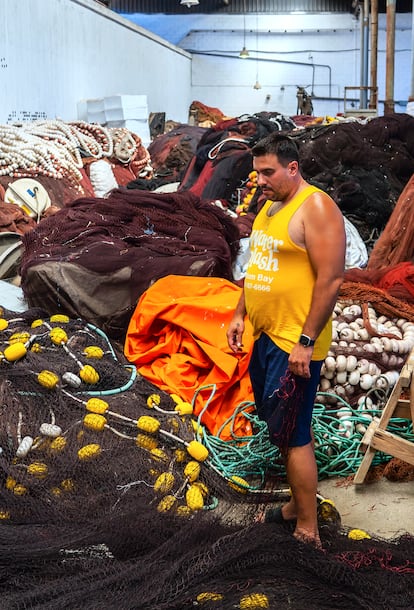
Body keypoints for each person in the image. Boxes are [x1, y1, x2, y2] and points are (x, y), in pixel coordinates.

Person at [227, 133, 346, 548]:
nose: (259, 179)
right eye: (256, 172)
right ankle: (298, 504)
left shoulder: (316, 207)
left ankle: (307, 527)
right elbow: (256, 265)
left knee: (295, 432)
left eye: (268, 171)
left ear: (292, 168)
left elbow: (331, 279)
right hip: (265, 337)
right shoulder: (269, 208)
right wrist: (241, 313)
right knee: (279, 426)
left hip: (294, 341)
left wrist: (306, 340)